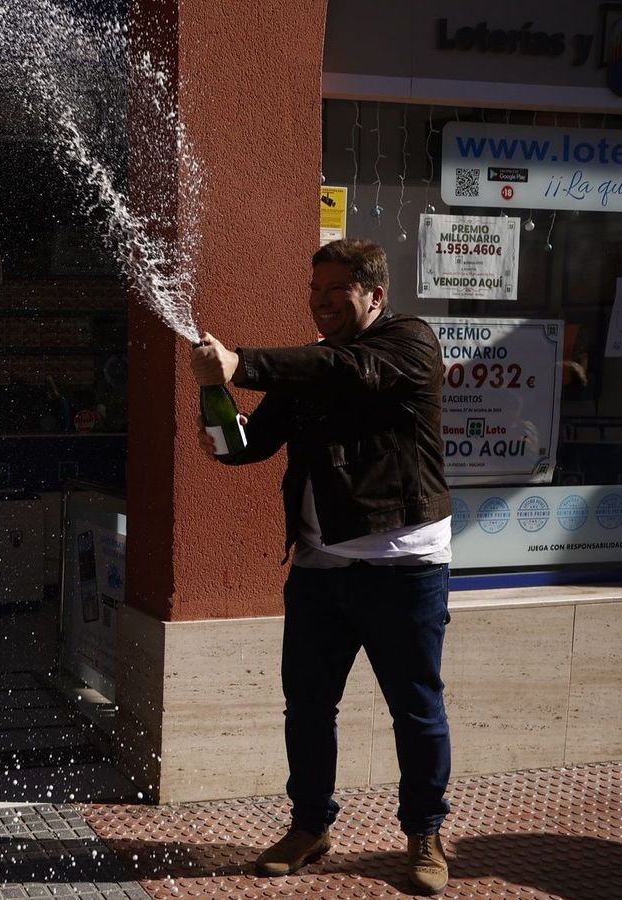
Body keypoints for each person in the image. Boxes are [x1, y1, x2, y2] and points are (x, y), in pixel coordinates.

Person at [190, 239, 454, 896]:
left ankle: (425, 832)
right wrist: (215, 400)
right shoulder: (312, 366)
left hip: (402, 566)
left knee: (415, 708)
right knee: (307, 707)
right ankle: (310, 825)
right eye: (315, 291)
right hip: (317, 569)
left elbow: (347, 371)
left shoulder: (409, 343)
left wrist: (243, 361)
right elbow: (248, 446)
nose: (321, 301)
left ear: (374, 295)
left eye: (335, 291)